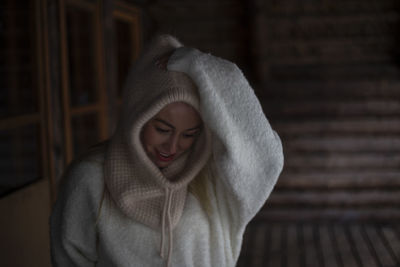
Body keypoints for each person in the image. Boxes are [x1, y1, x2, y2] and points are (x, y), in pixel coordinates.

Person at [50, 34, 284, 267]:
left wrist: (202, 65)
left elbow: (265, 156)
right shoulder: (89, 179)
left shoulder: (211, 175)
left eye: (189, 134)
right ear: (136, 115)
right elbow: (69, 260)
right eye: (162, 129)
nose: (172, 147)